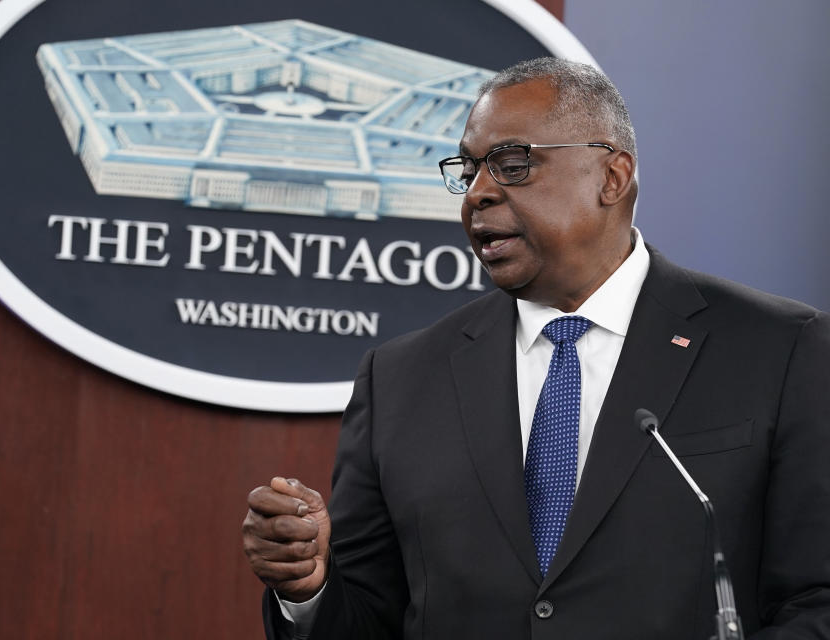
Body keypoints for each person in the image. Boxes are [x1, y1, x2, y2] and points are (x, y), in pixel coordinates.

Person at [241, 57, 830, 639]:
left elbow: (817, 602)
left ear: (613, 177)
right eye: (468, 171)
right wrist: (309, 591)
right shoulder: (399, 379)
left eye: (512, 164)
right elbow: (370, 618)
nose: (477, 195)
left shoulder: (780, 349)